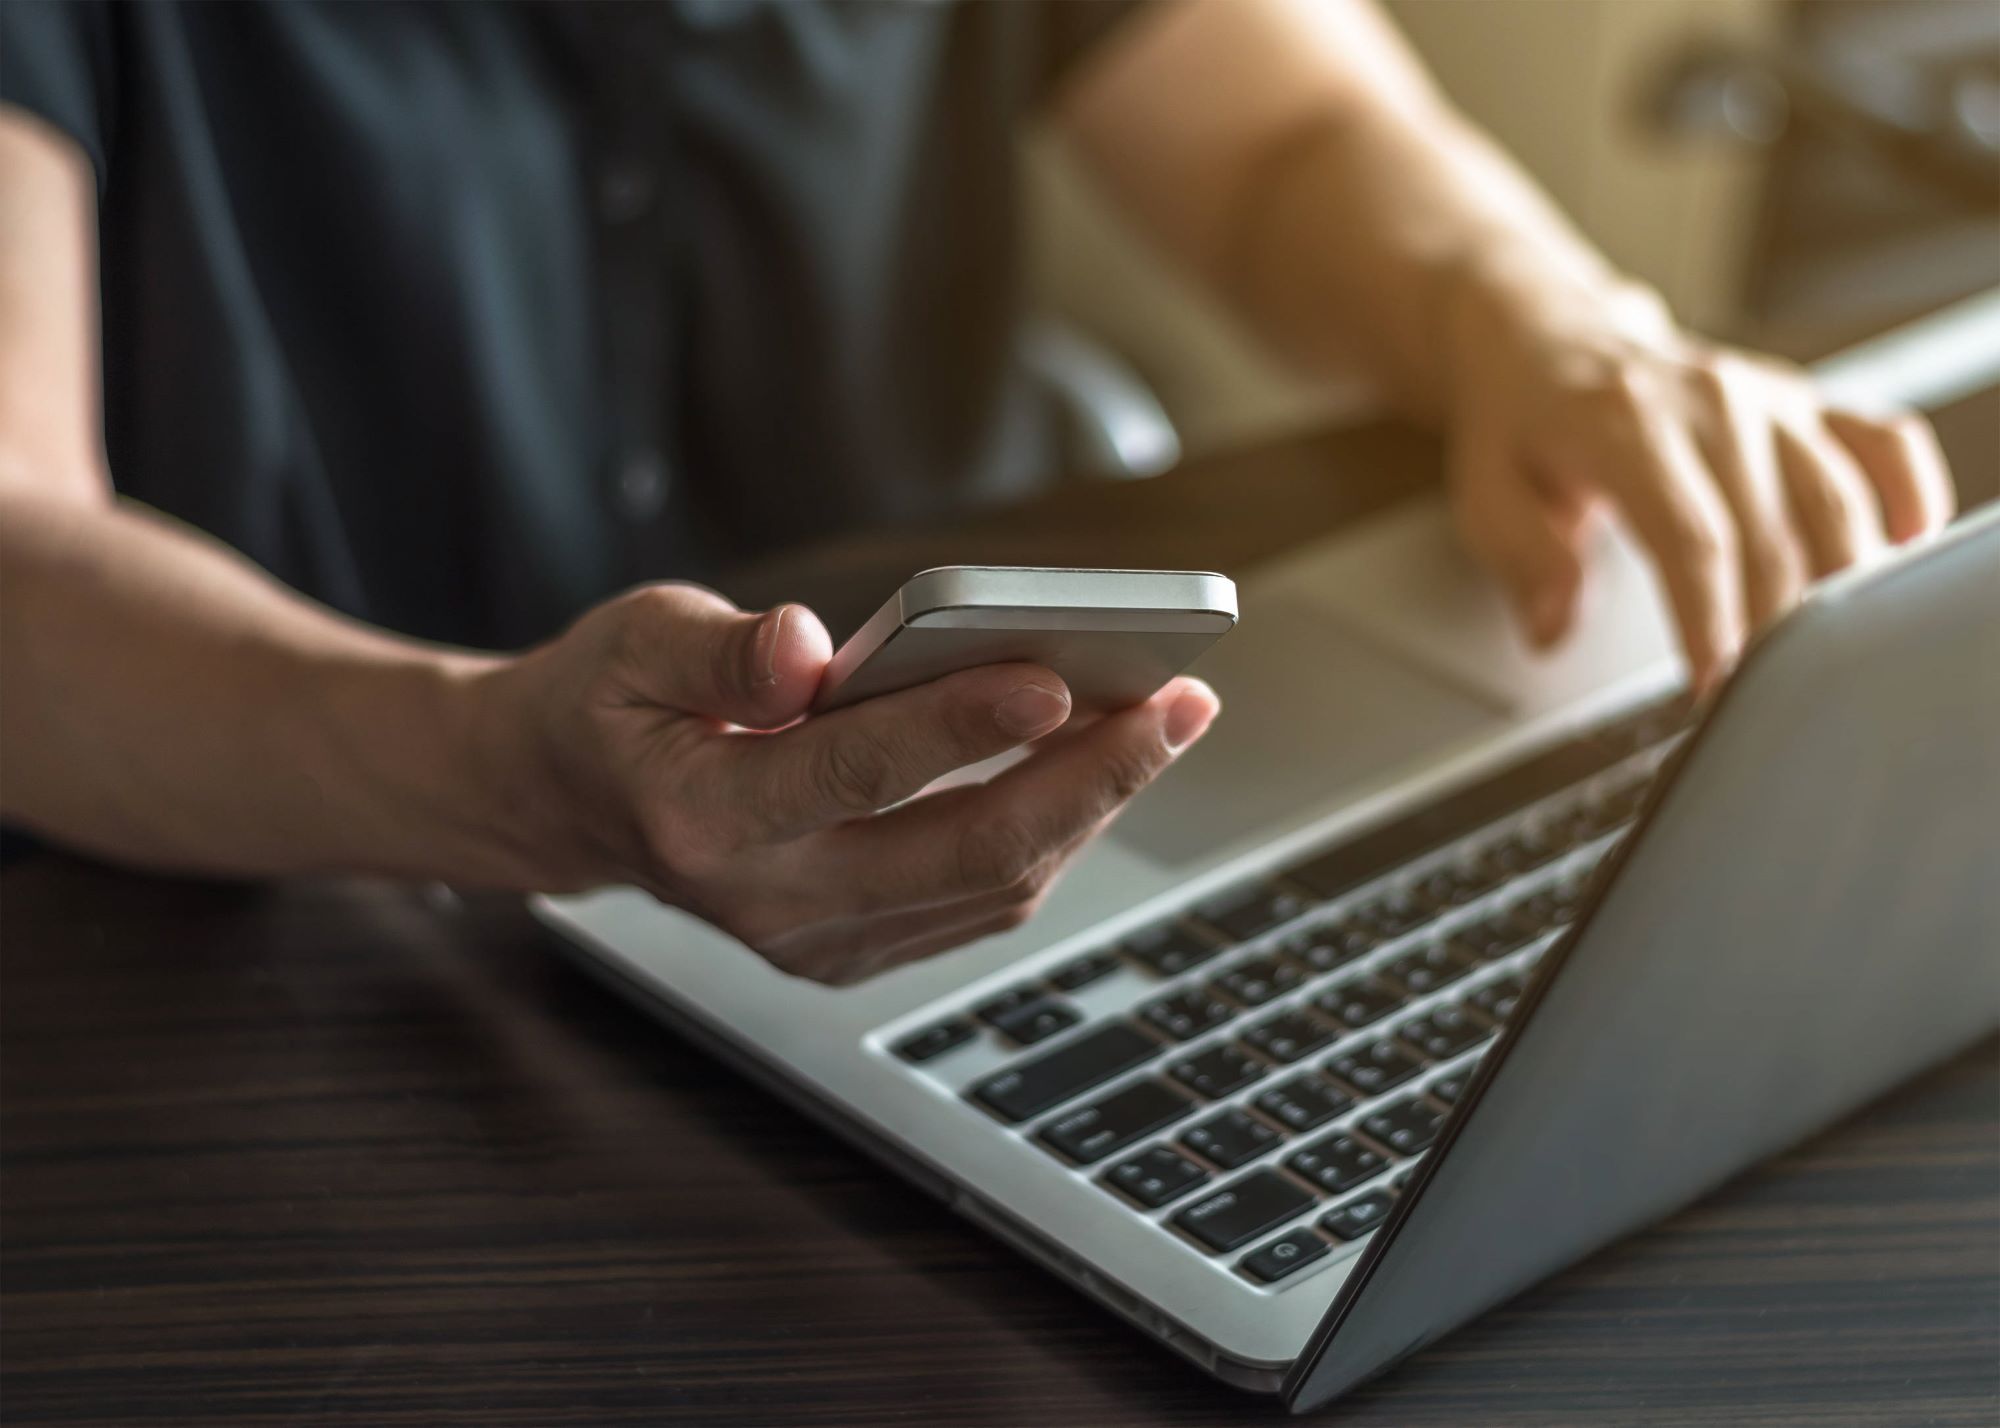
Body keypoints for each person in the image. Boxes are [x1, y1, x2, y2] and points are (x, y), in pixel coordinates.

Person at [0, 1, 1954, 985]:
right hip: (282, 934)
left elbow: (1267, 115)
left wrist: (1533, 316)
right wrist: (510, 774)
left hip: (992, 852)